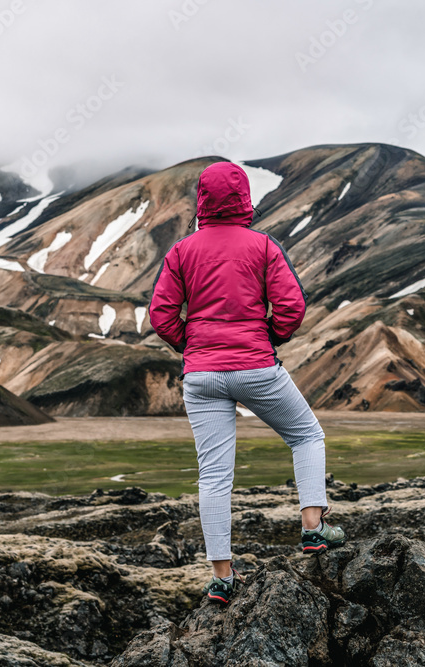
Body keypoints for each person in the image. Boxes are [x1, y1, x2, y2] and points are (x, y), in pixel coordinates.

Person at [149, 161, 345, 606]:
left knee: (214, 476)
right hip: (256, 366)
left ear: (201, 200)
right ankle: (313, 528)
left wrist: (193, 346)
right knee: (306, 435)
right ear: (244, 198)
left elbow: (161, 315)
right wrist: (266, 338)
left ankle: (222, 577)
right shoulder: (263, 246)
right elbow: (292, 305)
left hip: (201, 375)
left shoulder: (181, 252)